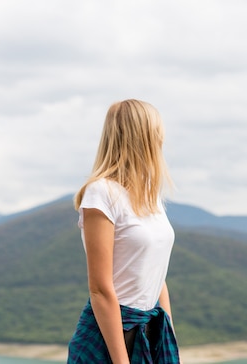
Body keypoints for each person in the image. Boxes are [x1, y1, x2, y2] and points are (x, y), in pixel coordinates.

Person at [67, 99, 181, 363]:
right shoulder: (101, 193)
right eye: (157, 131)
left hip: (151, 332)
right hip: (110, 338)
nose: (162, 138)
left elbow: (156, 275)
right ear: (144, 136)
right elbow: (100, 289)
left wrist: (171, 345)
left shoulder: (151, 197)